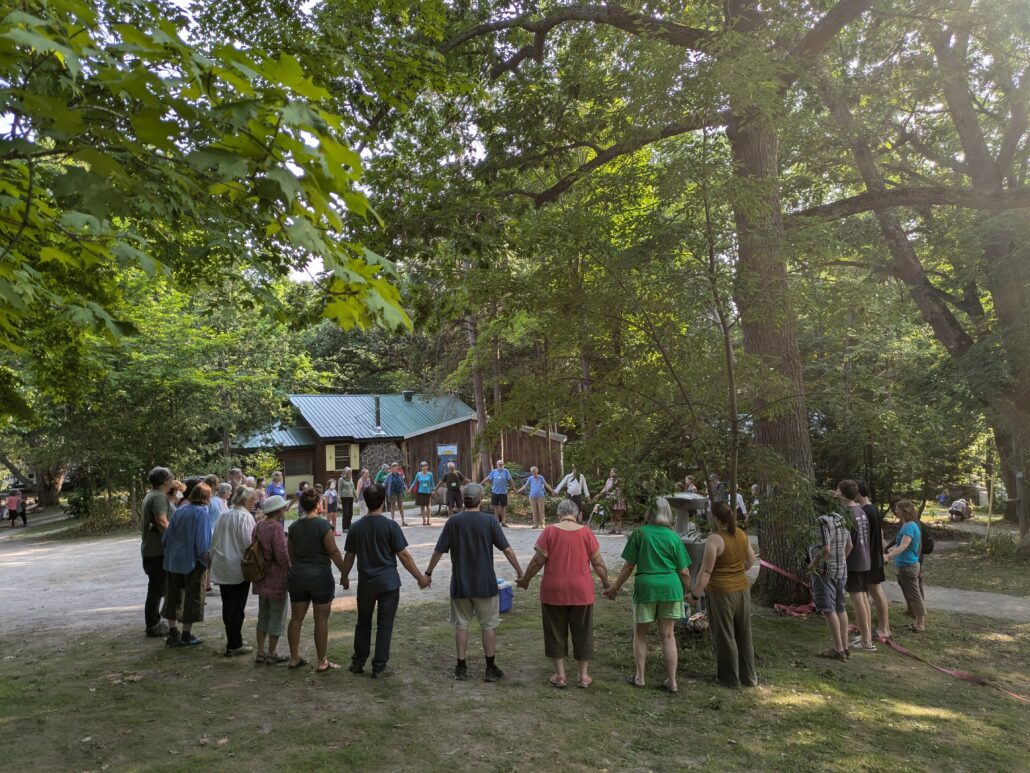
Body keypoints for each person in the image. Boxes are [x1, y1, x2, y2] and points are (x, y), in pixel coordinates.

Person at [425, 483, 524, 682]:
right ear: (480, 500)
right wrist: (520, 572)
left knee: (461, 625)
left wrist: (428, 573)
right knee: (488, 626)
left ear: (464, 500)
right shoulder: (489, 521)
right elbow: (507, 549)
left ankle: (461, 668)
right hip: (485, 584)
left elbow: (438, 550)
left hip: (460, 583)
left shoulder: (453, 522)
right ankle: (490, 668)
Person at [518, 499, 610, 688]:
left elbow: (537, 561)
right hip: (581, 591)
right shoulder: (586, 532)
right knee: (583, 632)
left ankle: (560, 676)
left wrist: (526, 579)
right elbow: (599, 563)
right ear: (577, 514)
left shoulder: (549, 531)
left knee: (555, 631)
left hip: (554, 591)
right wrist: (607, 584)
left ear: (559, 514)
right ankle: (583, 676)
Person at [341, 484, 430, 678]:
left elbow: (349, 557)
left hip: (366, 584)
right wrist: (420, 578)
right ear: (383, 501)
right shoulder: (390, 526)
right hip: (388, 583)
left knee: (363, 622)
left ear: (365, 501)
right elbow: (403, 555)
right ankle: (379, 666)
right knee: (385, 624)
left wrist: (344, 576)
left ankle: (358, 661)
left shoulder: (356, 527)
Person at [605, 497, 691, 693]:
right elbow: (684, 571)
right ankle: (672, 682)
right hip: (671, 589)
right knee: (668, 635)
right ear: (667, 513)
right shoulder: (673, 537)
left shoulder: (640, 533)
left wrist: (615, 588)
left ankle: (640, 678)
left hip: (646, 588)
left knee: (640, 633)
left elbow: (628, 566)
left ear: (649, 513)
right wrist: (688, 592)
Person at [686, 501, 758, 688]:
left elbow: (706, 572)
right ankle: (749, 677)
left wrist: (695, 596)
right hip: (742, 590)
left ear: (715, 518)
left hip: (721, 593)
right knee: (744, 634)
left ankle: (729, 678)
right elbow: (751, 560)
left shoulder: (714, 539)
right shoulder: (741, 534)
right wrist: (735, 573)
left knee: (725, 634)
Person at [286, 488, 348, 672]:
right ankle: (322, 661)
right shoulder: (323, 526)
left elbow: (291, 554)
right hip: (320, 576)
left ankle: (294, 658)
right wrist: (344, 574)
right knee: (321, 619)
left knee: (296, 618)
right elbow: (334, 552)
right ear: (317, 504)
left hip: (298, 576)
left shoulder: (293, 527)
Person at [161, 482, 213, 647]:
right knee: (193, 598)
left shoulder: (180, 510)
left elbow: (166, 537)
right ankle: (186, 635)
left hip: (173, 560)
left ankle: (173, 632)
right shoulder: (201, 513)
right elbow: (202, 544)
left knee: (173, 596)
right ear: (206, 497)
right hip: (193, 562)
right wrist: (208, 562)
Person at [210, 486, 257, 656]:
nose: (255, 503)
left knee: (229, 606)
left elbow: (214, 540)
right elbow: (249, 545)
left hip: (223, 565)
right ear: (246, 500)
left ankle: (234, 639)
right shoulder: (245, 517)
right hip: (237, 568)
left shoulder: (224, 515)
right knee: (236, 608)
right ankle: (234, 644)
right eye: (253, 500)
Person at [251, 495, 291, 665]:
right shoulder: (276, 528)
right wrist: (290, 569)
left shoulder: (259, 525)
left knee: (263, 614)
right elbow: (281, 555)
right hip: (276, 577)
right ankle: (271, 653)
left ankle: (260, 652)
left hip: (261, 574)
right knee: (277, 615)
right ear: (278, 510)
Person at [809, 503, 852, 660]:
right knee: (841, 608)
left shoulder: (822, 520)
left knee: (828, 609)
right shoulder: (840, 518)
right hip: (841, 571)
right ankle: (845, 647)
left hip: (825, 572)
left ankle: (838, 649)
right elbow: (850, 545)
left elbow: (825, 549)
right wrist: (841, 560)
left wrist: (813, 564)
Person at [838, 479, 875, 653]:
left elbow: (848, 543)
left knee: (858, 600)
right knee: (863, 598)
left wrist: (841, 560)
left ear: (842, 494)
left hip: (854, 562)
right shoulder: (861, 510)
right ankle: (866, 636)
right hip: (865, 560)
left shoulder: (846, 514)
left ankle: (867, 641)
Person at [140, 466, 176, 638]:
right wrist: (175, 540)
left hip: (153, 550)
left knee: (157, 588)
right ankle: (153, 624)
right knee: (156, 589)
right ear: (165, 481)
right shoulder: (159, 497)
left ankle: (154, 621)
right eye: (171, 477)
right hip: (157, 551)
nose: (173, 479)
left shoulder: (153, 495)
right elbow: (162, 522)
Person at [856, 481, 891, 640]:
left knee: (876, 592)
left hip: (870, 557)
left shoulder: (865, 511)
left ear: (858, 492)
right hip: (874, 556)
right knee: (876, 592)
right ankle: (884, 627)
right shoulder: (873, 508)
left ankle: (883, 629)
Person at [886, 499, 926, 632]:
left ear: (904, 511)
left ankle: (920, 624)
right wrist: (893, 548)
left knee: (915, 595)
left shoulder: (909, 526)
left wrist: (888, 556)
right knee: (913, 595)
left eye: (897, 508)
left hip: (908, 566)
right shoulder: (907, 525)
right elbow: (903, 545)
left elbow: (904, 546)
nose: (895, 510)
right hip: (906, 564)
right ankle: (918, 622)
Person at [596, 468, 625, 534]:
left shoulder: (619, 480)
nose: (610, 473)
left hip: (617, 499)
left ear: (615, 473)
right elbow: (605, 488)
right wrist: (598, 495)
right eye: (610, 472)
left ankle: (619, 530)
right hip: (610, 499)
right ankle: (614, 529)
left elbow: (620, 489)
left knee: (617, 515)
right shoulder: (609, 480)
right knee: (613, 514)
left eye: (612, 472)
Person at [409, 461, 436, 527]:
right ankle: (424, 520)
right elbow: (414, 482)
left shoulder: (430, 474)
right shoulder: (418, 474)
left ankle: (428, 520)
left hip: (427, 492)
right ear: (421, 467)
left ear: (427, 467)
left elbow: (432, 483)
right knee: (422, 507)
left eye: (425, 466)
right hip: (420, 492)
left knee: (428, 507)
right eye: (422, 466)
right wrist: (410, 489)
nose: (424, 467)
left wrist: (433, 490)